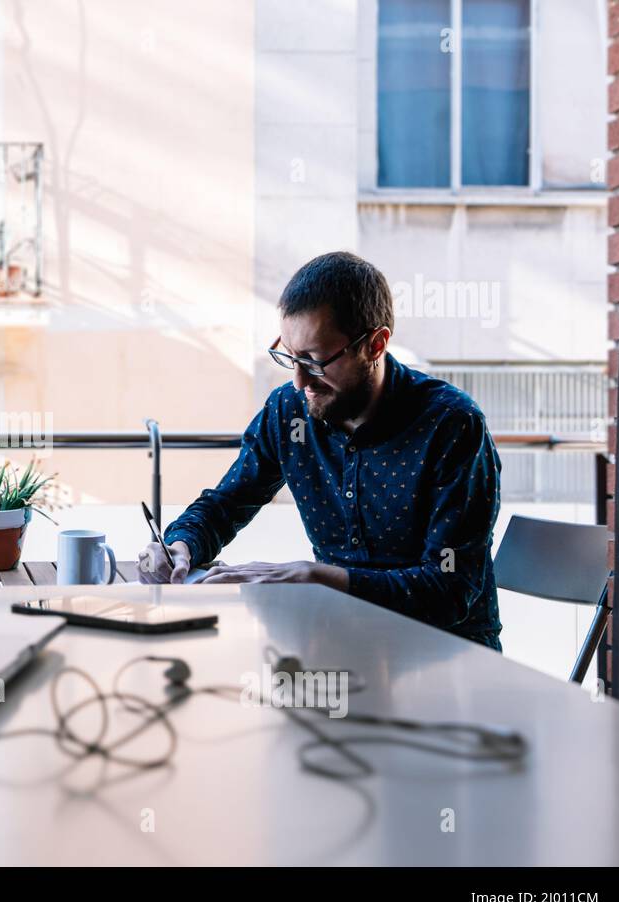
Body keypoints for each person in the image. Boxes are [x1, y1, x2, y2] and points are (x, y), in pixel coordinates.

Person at [138, 251, 503, 649]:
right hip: (339, 643)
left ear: (375, 345)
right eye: (289, 357)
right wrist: (181, 544)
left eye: (314, 361)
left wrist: (315, 578)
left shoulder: (451, 424)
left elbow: (449, 590)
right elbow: (225, 504)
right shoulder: (289, 412)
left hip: (447, 655)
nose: (297, 381)